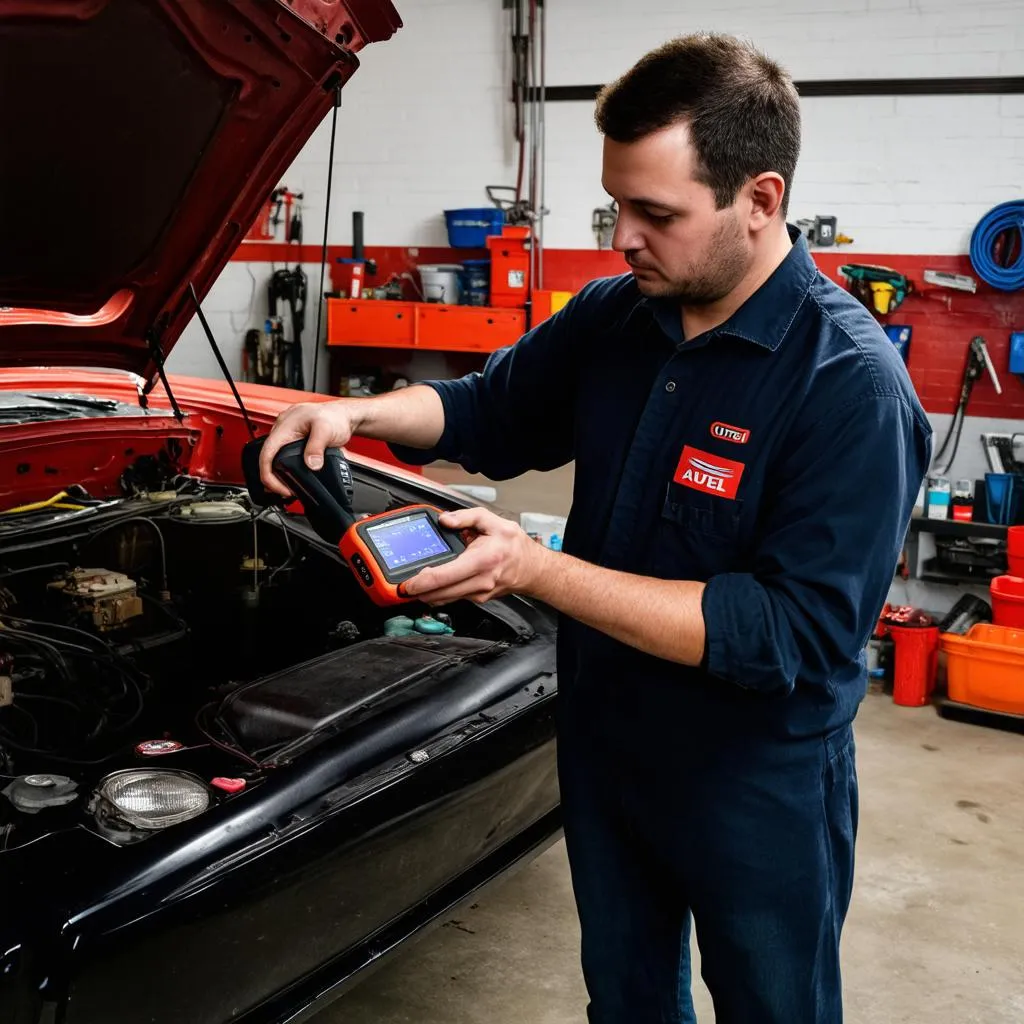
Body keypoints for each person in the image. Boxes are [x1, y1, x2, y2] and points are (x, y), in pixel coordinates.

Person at [259, 33, 932, 1024]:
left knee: (774, 1005)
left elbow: (787, 630)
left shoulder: (850, 388)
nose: (621, 237)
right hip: (608, 738)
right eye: (614, 205)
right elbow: (486, 410)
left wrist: (534, 568)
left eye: (654, 213)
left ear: (760, 200)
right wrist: (354, 416)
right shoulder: (618, 315)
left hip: (754, 775)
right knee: (624, 999)